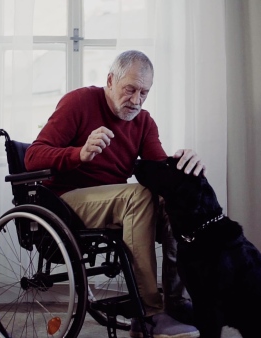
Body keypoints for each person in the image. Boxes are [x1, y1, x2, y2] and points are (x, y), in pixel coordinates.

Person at [25, 50, 205, 338]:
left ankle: (176, 304)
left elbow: (160, 176)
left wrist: (183, 166)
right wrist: (78, 153)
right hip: (67, 200)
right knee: (138, 196)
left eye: (144, 93)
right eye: (130, 89)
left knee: (177, 199)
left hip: (117, 203)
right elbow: (33, 157)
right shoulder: (79, 102)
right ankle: (147, 313)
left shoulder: (144, 122)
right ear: (110, 80)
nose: (136, 100)